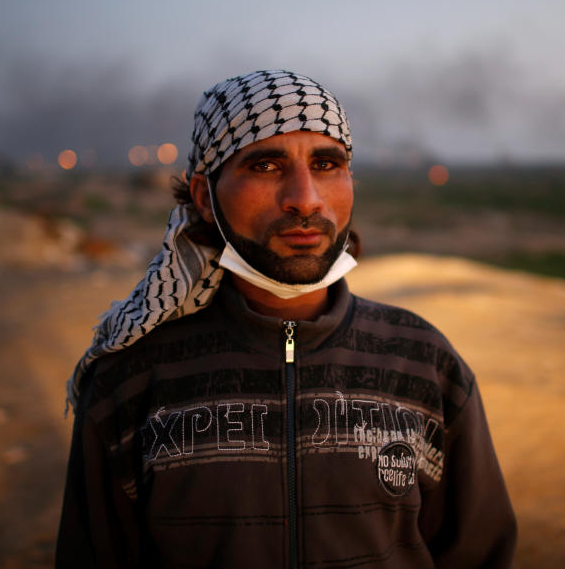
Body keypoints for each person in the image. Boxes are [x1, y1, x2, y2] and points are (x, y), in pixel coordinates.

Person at [56, 69, 517, 568]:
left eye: (325, 164)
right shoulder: (132, 378)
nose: (306, 197)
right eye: (266, 165)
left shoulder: (423, 361)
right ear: (205, 198)